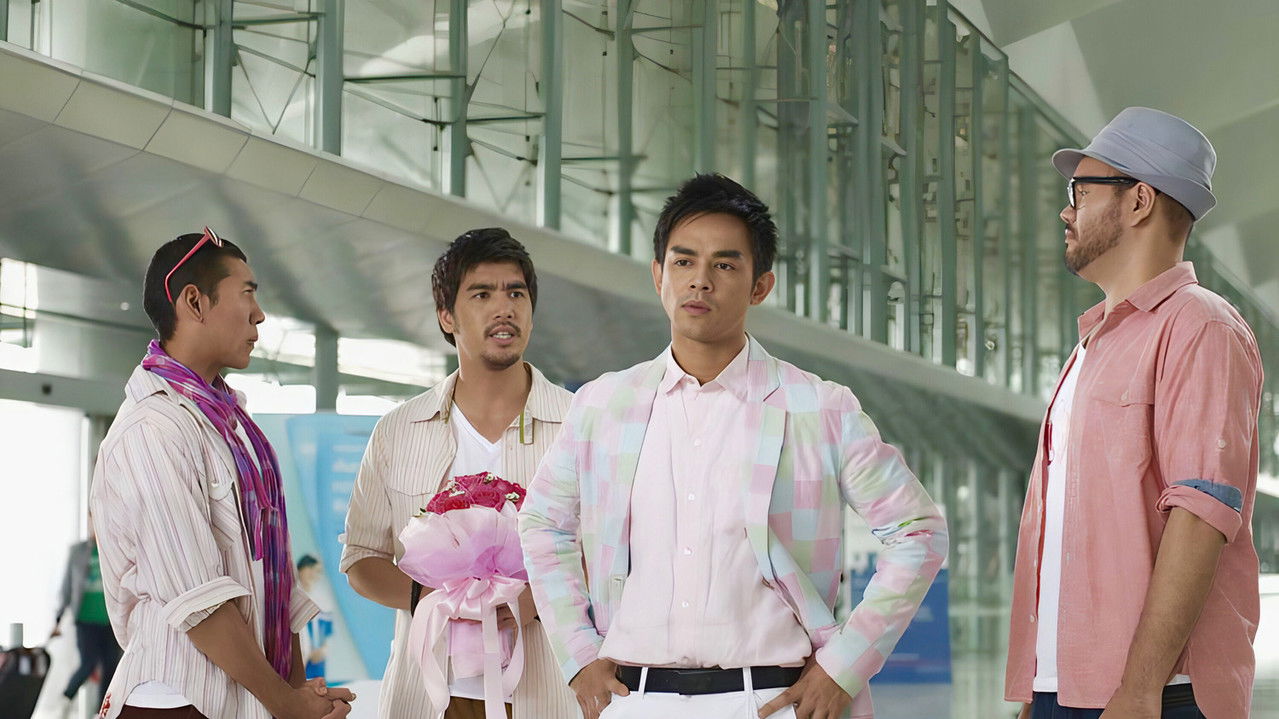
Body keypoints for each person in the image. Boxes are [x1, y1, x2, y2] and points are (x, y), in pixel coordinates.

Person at [518, 174, 949, 719]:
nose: (700, 281)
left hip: (770, 699)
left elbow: (917, 532)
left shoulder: (819, 408)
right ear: (658, 275)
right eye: (683, 261)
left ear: (759, 286)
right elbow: (543, 523)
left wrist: (845, 666)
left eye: (724, 265)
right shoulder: (603, 405)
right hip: (635, 699)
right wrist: (579, 654)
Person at [1004, 108, 1263, 719]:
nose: (1066, 211)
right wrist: (1042, 684)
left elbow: (1201, 513)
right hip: (1068, 689)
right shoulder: (1092, 344)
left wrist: (1141, 688)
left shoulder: (1199, 326)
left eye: (1081, 192)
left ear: (1139, 200)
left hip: (1155, 695)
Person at [90, 228, 355, 719]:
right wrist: (287, 704)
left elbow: (273, 579)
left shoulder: (230, 424)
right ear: (194, 302)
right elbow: (199, 603)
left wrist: (298, 693)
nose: (259, 314)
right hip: (176, 700)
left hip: (240, 696)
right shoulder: (153, 429)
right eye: (247, 293)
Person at [340, 228, 579, 719]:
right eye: (482, 294)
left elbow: (608, 552)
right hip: (430, 695)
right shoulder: (398, 430)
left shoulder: (578, 424)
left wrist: (533, 602)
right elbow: (362, 557)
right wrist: (431, 599)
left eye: (516, 293)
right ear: (446, 315)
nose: (504, 308)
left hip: (545, 693)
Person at [53, 520, 122, 710]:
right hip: (85, 620)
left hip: (111, 622)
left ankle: (102, 711)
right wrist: (58, 618)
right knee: (88, 664)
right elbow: (67, 587)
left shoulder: (116, 550)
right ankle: (64, 702)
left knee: (111, 667)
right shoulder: (78, 551)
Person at [296, 555, 333, 681]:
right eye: (310, 569)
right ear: (300, 569)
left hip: (317, 660)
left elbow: (326, 632)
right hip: (298, 657)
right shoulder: (293, 598)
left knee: (317, 688)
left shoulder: (322, 602)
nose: (313, 574)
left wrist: (322, 650)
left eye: (317, 571)